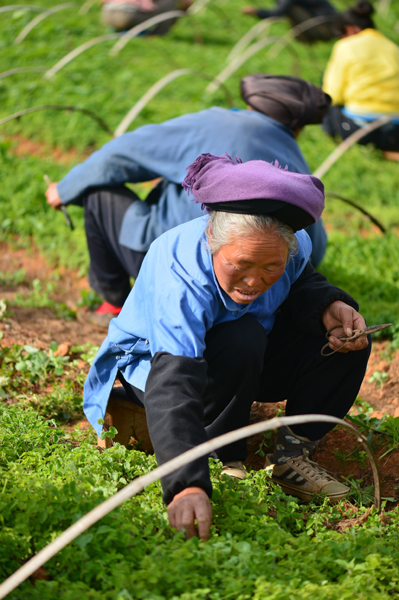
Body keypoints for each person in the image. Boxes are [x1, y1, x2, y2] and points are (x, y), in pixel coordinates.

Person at [83, 154, 371, 540]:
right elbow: (175, 379)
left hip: (245, 361)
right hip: (156, 367)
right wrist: (186, 483)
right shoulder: (180, 273)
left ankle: (290, 457)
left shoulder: (292, 244)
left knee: (347, 338)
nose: (255, 281)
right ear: (212, 242)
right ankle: (221, 455)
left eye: (271, 267)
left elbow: (302, 284)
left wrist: (330, 306)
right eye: (242, 265)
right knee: (241, 336)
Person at [45, 74, 331, 327]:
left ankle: (114, 303)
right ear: (297, 128)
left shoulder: (220, 121)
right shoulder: (293, 159)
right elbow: (313, 246)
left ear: (250, 106)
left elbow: (123, 154)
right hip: (256, 290)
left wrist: (66, 188)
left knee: (98, 194)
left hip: (173, 268)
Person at [322, 1, 399, 161]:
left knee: (325, 99)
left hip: (359, 127)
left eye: (341, 33)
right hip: (395, 129)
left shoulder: (346, 45)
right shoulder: (393, 47)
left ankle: (344, 146)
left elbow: (333, 95)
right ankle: (386, 151)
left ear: (350, 29)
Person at [242, 0, 337, 43]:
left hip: (326, 28)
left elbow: (277, 13)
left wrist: (256, 12)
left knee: (290, 9)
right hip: (333, 24)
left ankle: (310, 37)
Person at [101, 0, 182, 36]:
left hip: (106, 15)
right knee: (170, 2)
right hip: (127, 18)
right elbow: (185, 2)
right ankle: (156, 35)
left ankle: (116, 29)